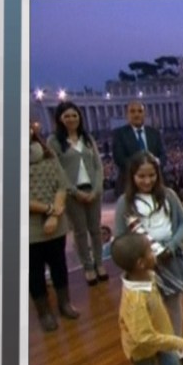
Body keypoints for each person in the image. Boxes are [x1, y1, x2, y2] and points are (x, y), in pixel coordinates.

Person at [114, 152, 183, 365]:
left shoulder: (168, 195)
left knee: (173, 303)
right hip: (142, 265)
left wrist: (172, 245)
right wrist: (139, 256)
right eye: (141, 176)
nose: (147, 181)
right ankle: (155, 344)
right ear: (132, 176)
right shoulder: (124, 202)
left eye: (152, 175)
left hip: (170, 257)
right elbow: (120, 236)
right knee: (148, 308)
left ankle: (176, 344)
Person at [111, 232, 183, 365]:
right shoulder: (136, 300)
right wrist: (175, 341)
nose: (154, 251)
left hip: (160, 336)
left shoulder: (147, 276)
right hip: (142, 348)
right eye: (150, 250)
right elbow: (143, 337)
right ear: (141, 263)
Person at [48, 101, 108, 286]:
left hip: (93, 190)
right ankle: (88, 267)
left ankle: (100, 263)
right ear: (59, 119)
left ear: (79, 117)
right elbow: (57, 170)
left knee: (96, 230)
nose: (71, 119)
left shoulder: (87, 138)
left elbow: (98, 165)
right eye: (66, 116)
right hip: (72, 194)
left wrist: (96, 188)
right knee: (80, 232)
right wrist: (73, 191)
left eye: (74, 115)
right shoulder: (54, 141)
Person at [28, 122, 79, 331]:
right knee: (34, 271)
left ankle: (64, 303)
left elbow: (62, 185)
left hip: (55, 223)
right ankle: (44, 312)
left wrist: (55, 214)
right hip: (29, 228)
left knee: (59, 265)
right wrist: (50, 210)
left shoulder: (48, 154)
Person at [112, 101, 167, 193]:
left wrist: (155, 166)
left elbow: (163, 155)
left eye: (140, 111)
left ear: (144, 114)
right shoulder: (119, 134)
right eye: (132, 111)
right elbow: (119, 159)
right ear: (127, 115)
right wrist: (142, 169)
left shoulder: (154, 133)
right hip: (129, 184)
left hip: (155, 184)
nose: (136, 114)